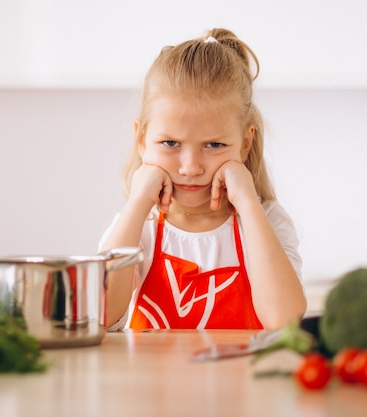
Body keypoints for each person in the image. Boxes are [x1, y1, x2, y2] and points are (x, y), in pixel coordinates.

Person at [99, 28, 306, 331]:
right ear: (142, 141)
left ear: (245, 144)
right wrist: (137, 203)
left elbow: (283, 321)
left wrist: (248, 203)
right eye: (170, 144)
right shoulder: (136, 227)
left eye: (214, 145)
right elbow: (98, 316)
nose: (191, 167)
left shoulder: (268, 221)